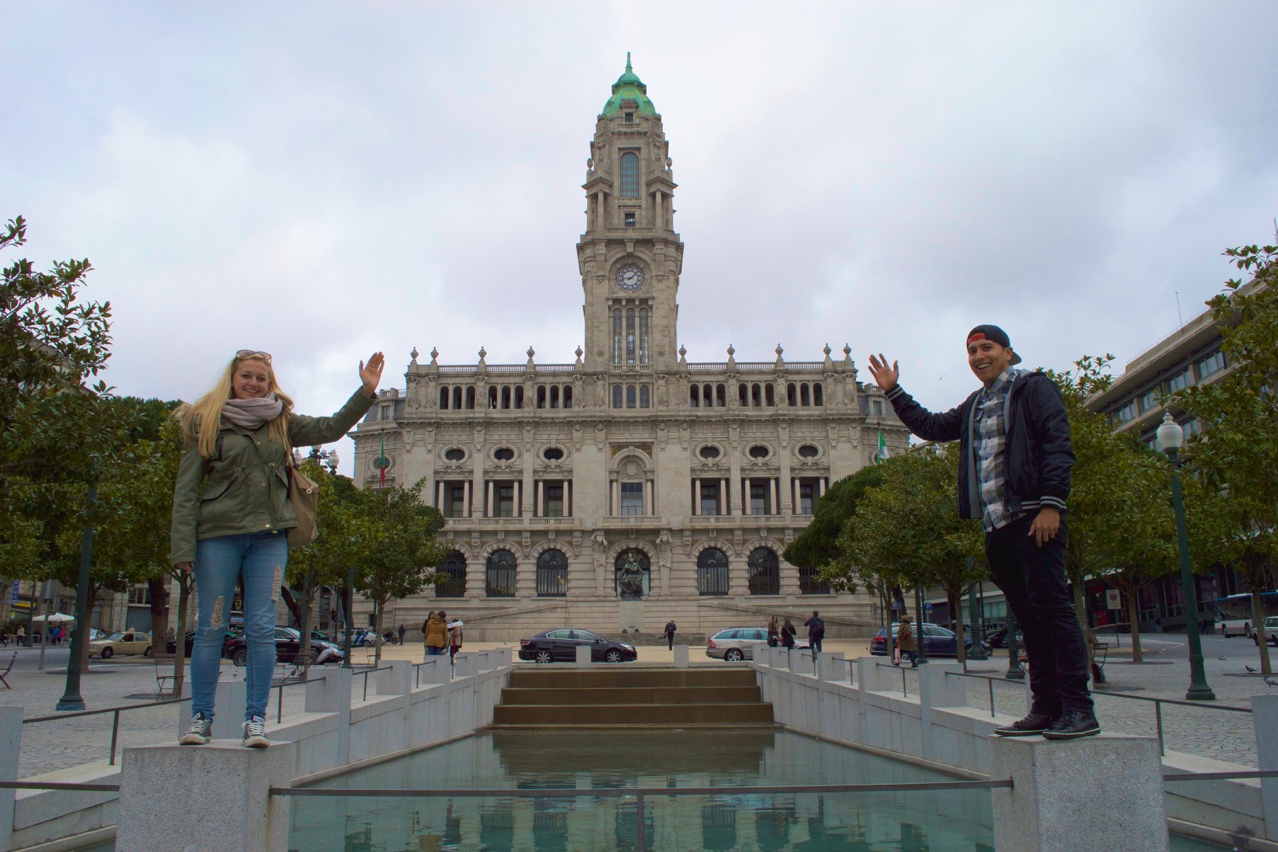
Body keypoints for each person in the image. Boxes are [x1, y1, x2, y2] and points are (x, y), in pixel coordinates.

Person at [869, 325, 1099, 740]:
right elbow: (933, 426)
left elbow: (1057, 443)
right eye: (972, 350)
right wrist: (894, 391)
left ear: (1009, 352)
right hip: (996, 523)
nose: (978, 356)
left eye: (986, 348)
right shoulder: (977, 404)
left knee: (1055, 610)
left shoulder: (1032, 388)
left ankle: (1079, 707)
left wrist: (1052, 504)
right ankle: (1046, 706)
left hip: (1032, 516)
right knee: (1029, 618)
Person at [171, 348, 385, 748]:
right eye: (247, 376)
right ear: (232, 380)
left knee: (262, 629)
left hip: (269, 537)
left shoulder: (280, 423)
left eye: (261, 378)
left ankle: (256, 720)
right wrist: (182, 545)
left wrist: (366, 392)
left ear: (270, 384)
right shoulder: (208, 423)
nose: (254, 383)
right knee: (211, 626)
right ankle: (201, 718)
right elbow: (186, 491)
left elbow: (331, 427)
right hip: (218, 536)